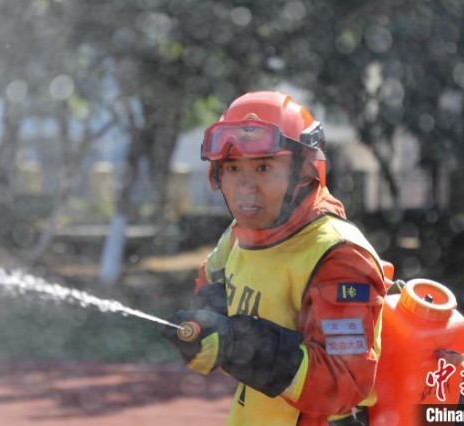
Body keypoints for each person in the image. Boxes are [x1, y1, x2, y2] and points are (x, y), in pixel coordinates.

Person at [161, 91, 386, 426]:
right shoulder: (241, 233)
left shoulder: (340, 258)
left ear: (304, 171)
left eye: (264, 166)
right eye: (233, 168)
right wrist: (207, 328)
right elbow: (212, 283)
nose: (245, 187)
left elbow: (345, 385)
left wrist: (241, 346)